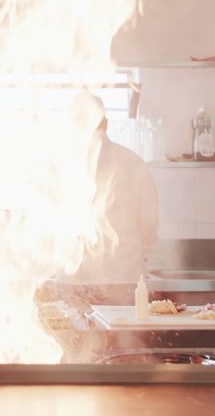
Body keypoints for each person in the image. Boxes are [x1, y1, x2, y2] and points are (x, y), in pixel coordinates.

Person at [71, 94, 159, 294]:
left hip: (80, 281)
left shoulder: (66, 167)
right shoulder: (133, 162)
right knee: (121, 324)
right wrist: (136, 256)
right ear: (107, 123)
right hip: (124, 276)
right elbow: (150, 226)